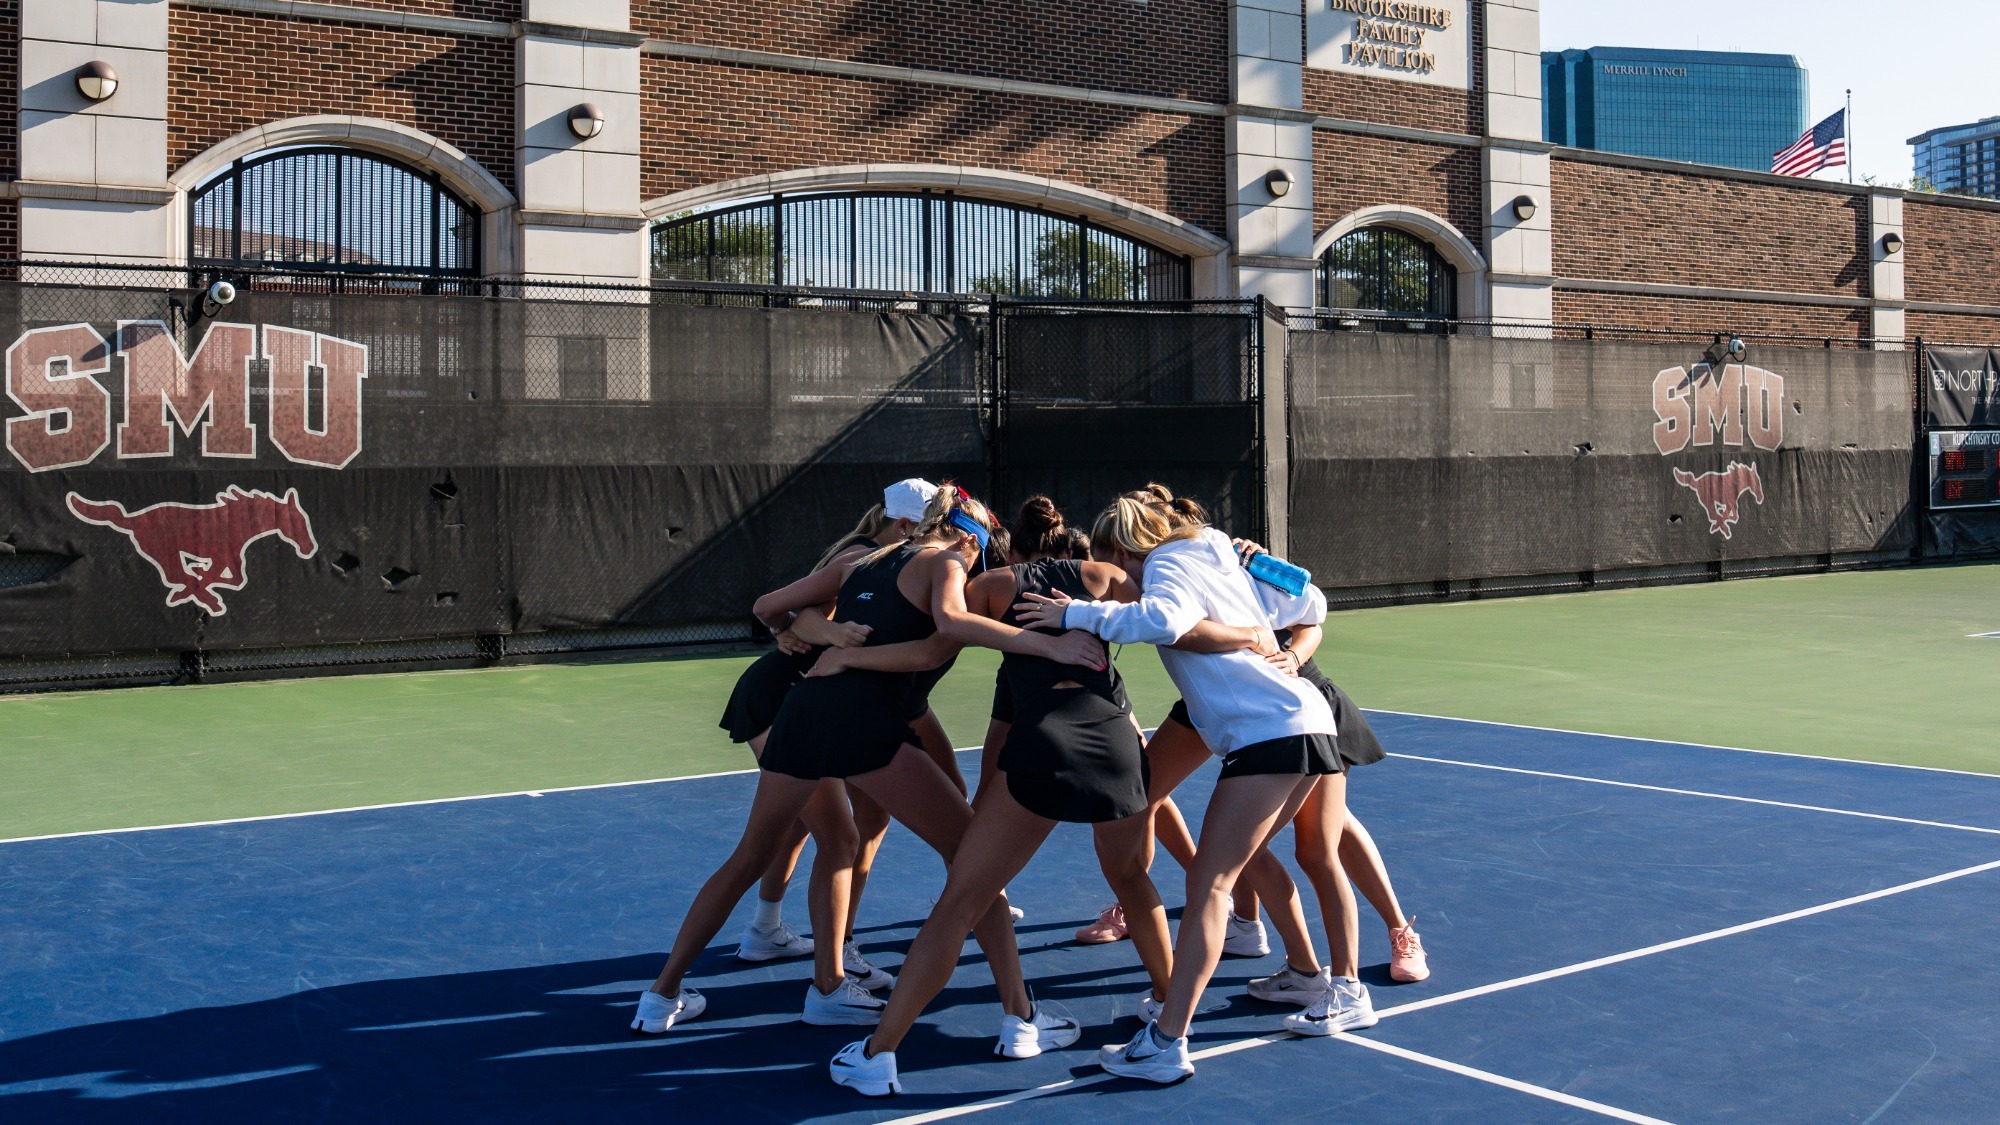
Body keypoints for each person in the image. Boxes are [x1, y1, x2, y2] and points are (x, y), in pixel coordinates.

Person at [633, 485, 1105, 1041]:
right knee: (973, 863)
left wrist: (801, 634)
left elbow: (772, 608)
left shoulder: (862, 557)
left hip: (801, 711)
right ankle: (1021, 1019)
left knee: (755, 855)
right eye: (983, 546)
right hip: (860, 725)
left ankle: (661, 996)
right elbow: (943, 635)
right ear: (967, 537)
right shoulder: (950, 562)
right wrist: (1050, 647)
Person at [1015, 485, 1368, 1084]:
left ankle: (1166, 1042)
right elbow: (1310, 603)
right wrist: (1261, 580)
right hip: (1296, 724)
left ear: (1128, 546)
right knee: (1237, 865)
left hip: (1271, 731)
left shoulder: (1168, 563)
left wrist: (1069, 614)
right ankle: (1314, 978)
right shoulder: (1218, 554)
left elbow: (1164, 620)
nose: (1120, 572)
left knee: (1209, 884)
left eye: (1116, 558)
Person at [712, 479, 937, 989]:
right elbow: (792, 610)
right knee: (836, 836)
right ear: (904, 526)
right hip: (783, 698)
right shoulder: (865, 556)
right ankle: (832, 971)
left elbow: (793, 615)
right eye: (931, 529)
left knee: (802, 820)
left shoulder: (880, 556)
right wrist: (829, 636)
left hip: (807, 699)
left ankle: (766, 931)